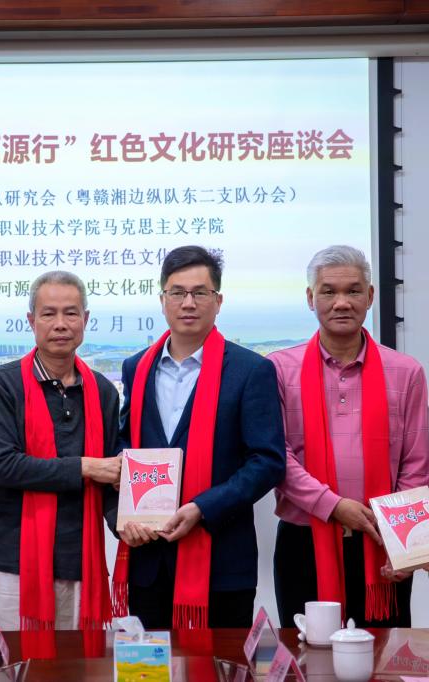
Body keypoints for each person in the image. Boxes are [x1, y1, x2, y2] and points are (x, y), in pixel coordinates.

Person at [109, 245, 286, 630]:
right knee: (151, 663)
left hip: (221, 560)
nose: (188, 303)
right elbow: (123, 447)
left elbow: (267, 461)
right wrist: (122, 517)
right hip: (149, 559)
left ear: (218, 301)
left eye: (199, 292)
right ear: (162, 300)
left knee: (219, 662)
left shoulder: (250, 370)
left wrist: (202, 508)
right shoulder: (136, 367)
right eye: (177, 292)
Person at [268, 245, 429, 627]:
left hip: (382, 542)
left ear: (370, 296)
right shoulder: (278, 369)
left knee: (385, 651)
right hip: (303, 541)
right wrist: (332, 505)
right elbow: (276, 457)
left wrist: (403, 541)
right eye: (328, 291)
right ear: (311, 298)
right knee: (308, 650)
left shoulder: (405, 371)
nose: (341, 302)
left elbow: (416, 464)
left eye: (353, 291)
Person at [0, 271, 120, 631]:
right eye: (48, 313)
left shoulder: (103, 392)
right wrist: (86, 467)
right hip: (13, 562)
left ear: (85, 319)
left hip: (81, 559)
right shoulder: (2, 383)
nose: (60, 324)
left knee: (80, 660)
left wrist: (132, 522)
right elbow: (5, 466)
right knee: (19, 659)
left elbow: (111, 476)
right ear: (31, 321)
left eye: (71, 313)